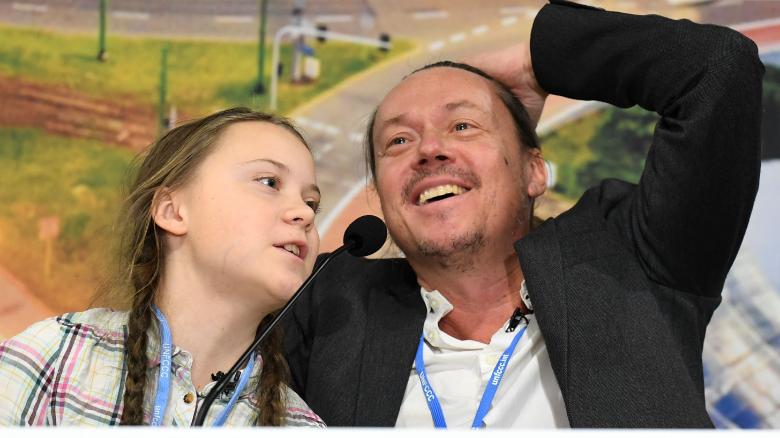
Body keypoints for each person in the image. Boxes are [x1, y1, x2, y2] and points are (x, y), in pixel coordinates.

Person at [283, 0, 764, 428]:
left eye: (463, 124)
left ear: (534, 171)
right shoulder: (327, 303)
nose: (429, 149)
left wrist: (538, 62)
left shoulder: (633, 253)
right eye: (398, 141)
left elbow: (717, 69)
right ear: (381, 195)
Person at [0, 108, 326, 427]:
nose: (305, 213)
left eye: (312, 203)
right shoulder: (51, 359)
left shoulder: (301, 428)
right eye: (269, 182)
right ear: (172, 211)